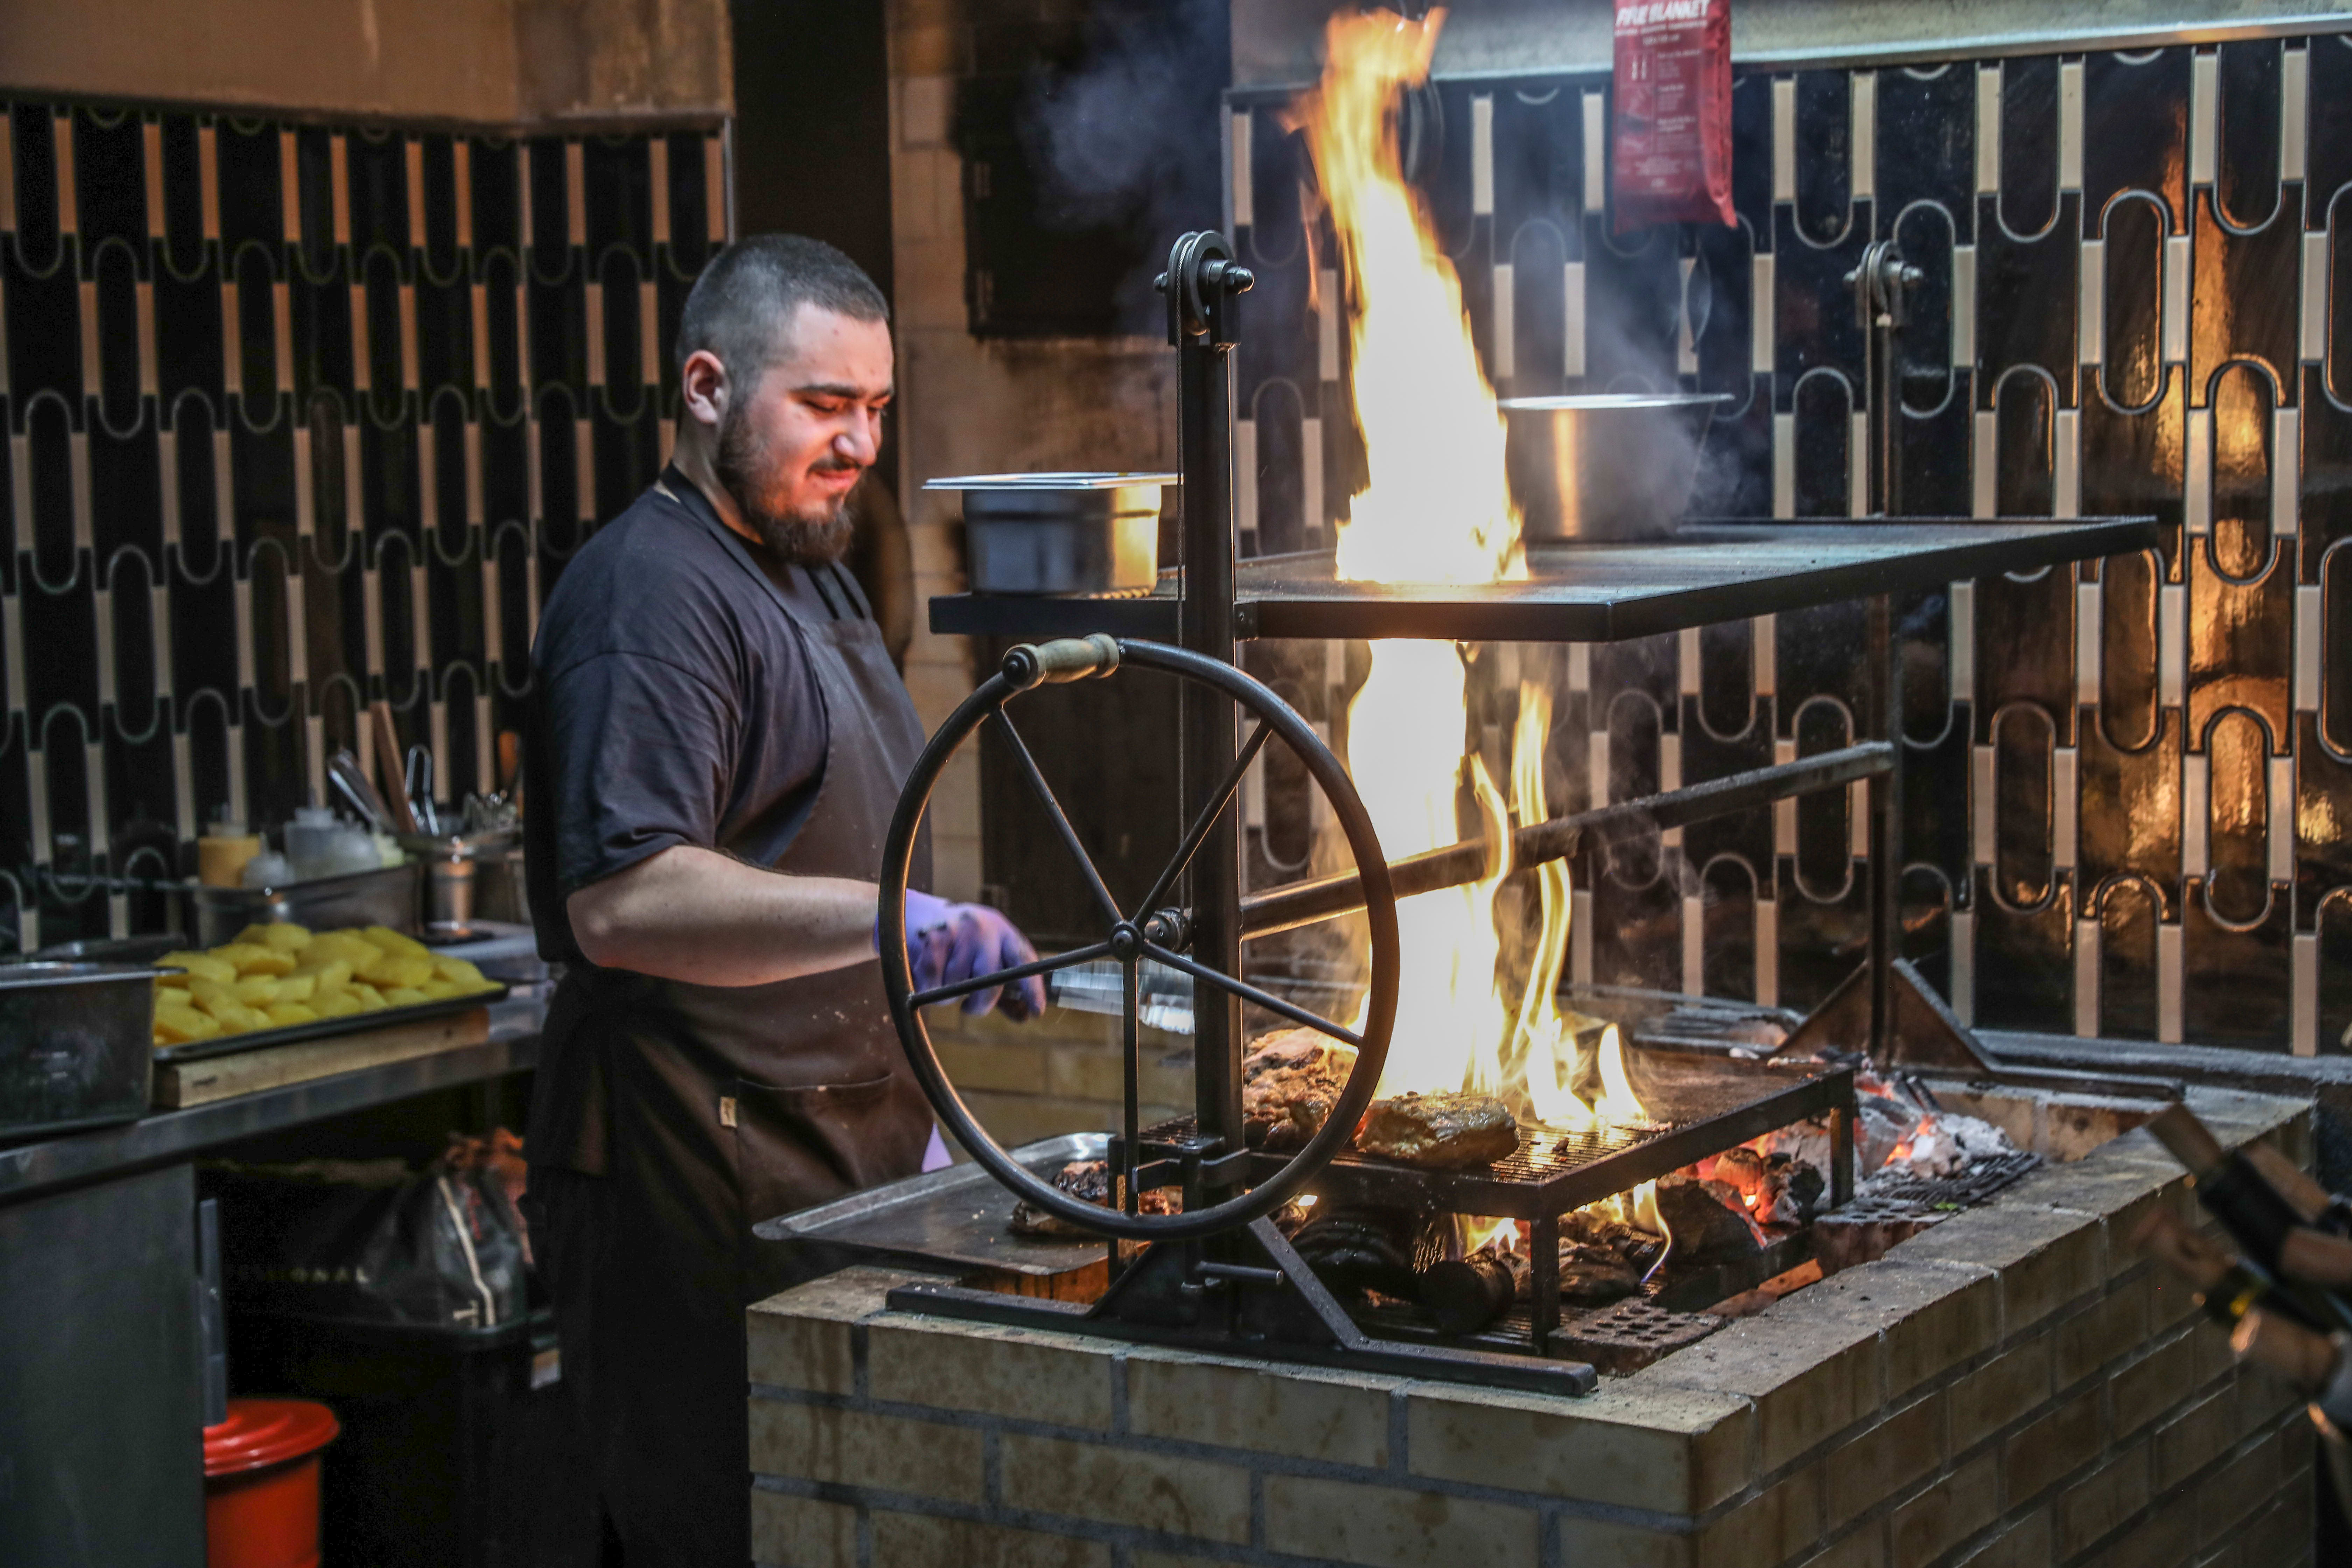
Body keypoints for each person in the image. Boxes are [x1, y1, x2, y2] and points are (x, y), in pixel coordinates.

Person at [520, 234, 1046, 1567]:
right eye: (823, 404)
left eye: (876, 407)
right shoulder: (652, 597)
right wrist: (904, 926)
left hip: (829, 1156)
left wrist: (922, 1120)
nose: (860, 441)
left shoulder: (809, 569)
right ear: (706, 389)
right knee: (724, 1534)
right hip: (692, 1175)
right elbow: (626, 901)